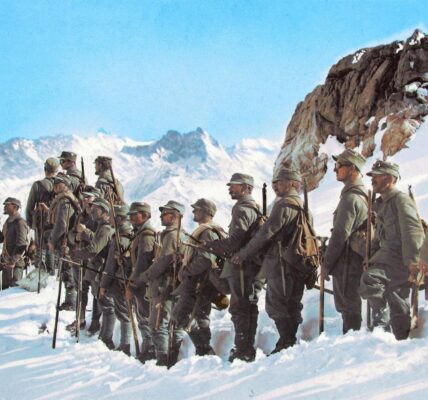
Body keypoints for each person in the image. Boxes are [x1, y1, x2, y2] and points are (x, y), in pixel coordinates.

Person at [231, 168, 315, 354]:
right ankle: (289, 341)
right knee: (292, 303)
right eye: (274, 182)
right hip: (299, 264)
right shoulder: (302, 206)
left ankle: (286, 341)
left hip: (281, 264)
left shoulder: (284, 205)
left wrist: (243, 254)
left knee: (276, 304)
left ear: (293, 183)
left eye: (280, 181)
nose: (275, 185)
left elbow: (264, 235)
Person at [360, 160, 424, 340]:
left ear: (388, 178)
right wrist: (371, 257)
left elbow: (412, 231)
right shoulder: (382, 203)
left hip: (400, 258)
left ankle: (384, 325)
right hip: (387, 257)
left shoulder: (400, 200)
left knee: (373, 280)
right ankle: (396, 338)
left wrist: (413, 262)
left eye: (376, 176)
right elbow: (379, 236)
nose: (372, 180)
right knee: (396, 298)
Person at [207, 173, 262, 362]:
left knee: (240, 308)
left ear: (246, 188)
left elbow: (236, 241)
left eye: (235, 185)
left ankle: (242, 350)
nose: (230, 188)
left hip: (241, 268)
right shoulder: (254, 207)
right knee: (249, 307)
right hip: (252, 267)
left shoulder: (242, 208)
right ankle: (246, 348)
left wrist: (213, 246)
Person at [172, 198, 226, 356]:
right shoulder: (209, 230)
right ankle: (203, 349)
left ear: (207, 213)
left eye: (197, 209)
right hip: (204, 281)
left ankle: (203, 347)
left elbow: (205, 259)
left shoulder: (207, 232)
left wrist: (185, 271)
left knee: (179, 315)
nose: (194, 212)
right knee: (201, 316)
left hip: (199, 281)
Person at [323, 149, 368, 333]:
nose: (335, 170)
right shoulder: (359, 195)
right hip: (352, 261)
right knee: (350, 307)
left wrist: (326, 264)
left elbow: (340, 235)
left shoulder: (350, 198)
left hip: (348, 263)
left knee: (349, 308)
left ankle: (351, 346)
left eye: (339, 166)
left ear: (352, 169)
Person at [139, 200, 186, 367]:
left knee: (158, 324)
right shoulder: (182, 234)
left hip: (164, 286)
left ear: (174, 216)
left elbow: (163, 262)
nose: (161, 216)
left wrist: (145, 276)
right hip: (175, 287)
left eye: (165, 214)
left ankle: (164, 360)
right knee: (173, 323)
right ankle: (172, 357)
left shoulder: (172, 235)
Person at [71, 197, 114, 345]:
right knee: (98, 297)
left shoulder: (105, 228)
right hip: (97, 267)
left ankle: (105, 337)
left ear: (103, 211)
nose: (92, 211)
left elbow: (94, 249)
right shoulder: (100, 226)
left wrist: (74, 254)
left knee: (105, 303)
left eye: (95, 209)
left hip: (101, 268)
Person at [99, 204, 135, 355]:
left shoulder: (119, 238)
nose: (109, 219)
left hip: (121, 282)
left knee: (124, 315)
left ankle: (125, 345)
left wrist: (103, 284)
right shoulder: (132, 234)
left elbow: (110, 265)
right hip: (128, 280)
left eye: (112, 217)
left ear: (119, 219)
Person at [126, 202, 157, 363]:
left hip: (143, 284)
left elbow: (142, 264)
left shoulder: (146, 235)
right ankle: (148, 346)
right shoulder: (140, 233)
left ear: (145, 215)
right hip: (141, 282)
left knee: (145, 316)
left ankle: (150, 348)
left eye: (135, 214)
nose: (130, 218)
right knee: (142, 315)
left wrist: (132, 285)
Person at [46, 173, 80, 310]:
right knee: (66, 270)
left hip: (66, 242)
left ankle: (71, 302)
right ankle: (70, 300)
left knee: (67, 271)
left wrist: (52, 241)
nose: (55, 185)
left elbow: (61, 225)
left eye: (58, 183)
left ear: (65, 185)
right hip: (67, 240)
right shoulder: (64, 200)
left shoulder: (65, 201)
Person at [25, 157, 59, 275]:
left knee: (41, 250)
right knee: (54, 247)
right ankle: (53, 271)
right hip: (57, 223)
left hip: (41, 225)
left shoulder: (38, 185)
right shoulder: (62, 185)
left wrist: (31, 224)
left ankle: (43, 272)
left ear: (45, 169)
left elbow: (29, 208)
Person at [0, 197, 29, 289]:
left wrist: (12, 261)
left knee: (13, 293)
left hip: (15, 265)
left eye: (7, 204)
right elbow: (2, 239)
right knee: (4, 293)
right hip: (6, 263)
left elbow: (22, 245)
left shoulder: (20, 222)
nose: (5, 206)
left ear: (15, 206)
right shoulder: (8, 222)